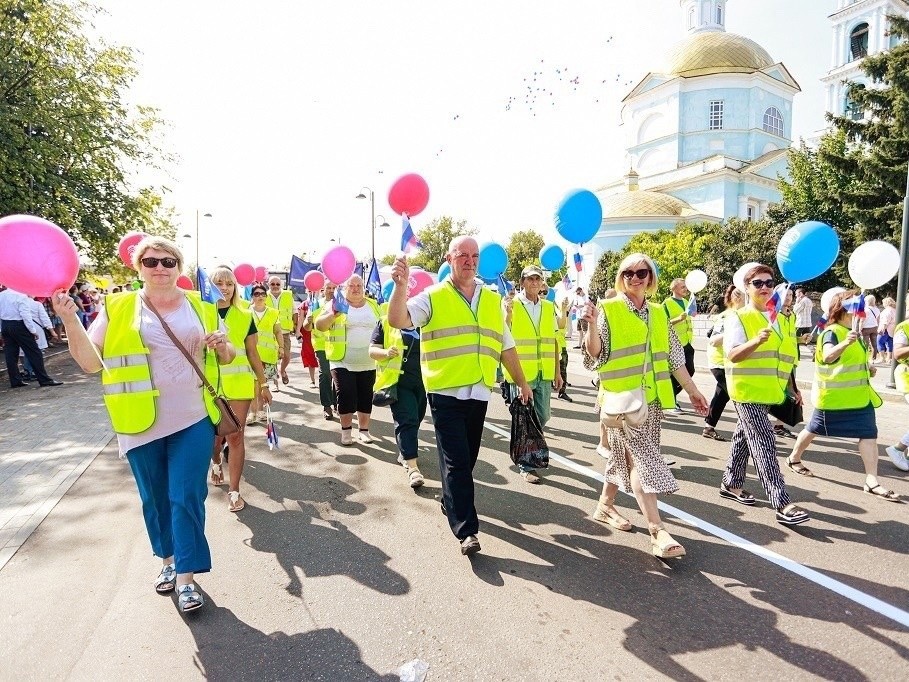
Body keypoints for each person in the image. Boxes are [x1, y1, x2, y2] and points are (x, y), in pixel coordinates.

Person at [51, 236, 236, 614]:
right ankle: (167, 561)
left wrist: (221, 346)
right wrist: (70, 319)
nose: (160, 268)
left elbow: (229, 354)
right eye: (151, 261)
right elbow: (89, 363)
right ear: (139, 268)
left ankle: (187, 577)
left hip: (193, 417)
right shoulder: (117, 306)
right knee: (154, 497)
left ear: (179, 268)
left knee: (186, 495)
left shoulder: (201, 306)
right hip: (138, 421)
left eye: (169, 262)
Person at [388, 237, 532, 557]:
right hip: (445, 391)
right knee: (456, 462)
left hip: (479, 391)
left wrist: (521, 382)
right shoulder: (433, 296)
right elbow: (397, 320)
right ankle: (467, 530)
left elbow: (506, 346)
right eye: (462, 255)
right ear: (449, 258)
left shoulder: (492, 300)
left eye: (474, 256)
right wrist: (400, 286)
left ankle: (450, 501)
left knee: (467, 459)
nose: (469, 261)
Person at [583, 253, 707, 559]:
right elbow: (593, 356)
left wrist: (692, 391)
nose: (635, 278)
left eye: (642, 273)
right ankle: (657, 531)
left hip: (650, 402)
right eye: (628, 273)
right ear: (621, 277)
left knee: (624, 458)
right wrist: (591, 325)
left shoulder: (658, 313)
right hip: (621, 403)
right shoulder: (608, 309)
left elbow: (674, 358)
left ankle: (604, 507)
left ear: (650, 278)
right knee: (642, 461)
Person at [785, 291, 898, 501]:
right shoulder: (832, 332)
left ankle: (871, 480)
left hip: (860, 399)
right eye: (855, 307)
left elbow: (851, 362)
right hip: (833, 399)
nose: (859, 312)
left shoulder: (855, 333)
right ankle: (794, 458)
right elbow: (828, 356)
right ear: (843, 309)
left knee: (869, 434)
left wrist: (868, 368)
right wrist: (845, 342)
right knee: (813, 429)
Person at [720, 263, 809, 526]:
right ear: (746, 288)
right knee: (764, 443)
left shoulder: (781, 319)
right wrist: (755, 341)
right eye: (757, 283)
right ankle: (781, 502)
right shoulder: (739, 317)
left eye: (769, 283)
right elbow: (733, 355)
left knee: (743, 438)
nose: (765, 288)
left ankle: (731, 483)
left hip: (771, 390)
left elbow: (786, 358)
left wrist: (793, 387)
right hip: (745, 391)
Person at [207, 266, 271, 513]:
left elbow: (253, 353)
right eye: (219, 283)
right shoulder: (200, 313)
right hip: (208, 386)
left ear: (235, 287)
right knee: (214, 438)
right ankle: (215, 463)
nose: (224, 288)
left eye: (229, 284)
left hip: (240, 385)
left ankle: (234, 491)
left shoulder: (245, 316)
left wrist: (263, 384)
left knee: (235, 436)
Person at [503, 265, 562, 483]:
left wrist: (557, 371)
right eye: (530, 279)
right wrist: (507, 315)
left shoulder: (548, 307)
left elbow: (554, 341)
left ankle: (528, 448)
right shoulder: (512, 304)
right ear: (522, 282)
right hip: (521, 374)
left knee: (543, 416)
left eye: (538, 279)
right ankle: (526, 464)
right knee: (525, 420)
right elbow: (504, 335)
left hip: (544, 372)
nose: (535, 282)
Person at [316, 274, 381, 445]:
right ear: (345, 288)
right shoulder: (335, 304)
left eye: (359, 285)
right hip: (341, 360)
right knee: (345, 394)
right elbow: (319, 326)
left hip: (369, 361)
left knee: (366, 396)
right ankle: (346, 431)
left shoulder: (373, 305)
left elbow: (384, 327)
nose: (355, 288)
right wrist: (334, 314)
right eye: (351, 285)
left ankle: (364, 430)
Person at [369, 313, 427, 488]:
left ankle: (405, 451)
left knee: (416, 418)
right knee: (406, 420)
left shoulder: (425, 319)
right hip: (399, 383)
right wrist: (386, 353)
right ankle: (413, 468)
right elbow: (372, 350)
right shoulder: (386, 321)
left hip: (424, 383)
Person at [703, 284, 745, 441]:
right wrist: (732, 332)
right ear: (735, 297)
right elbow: (714, 341)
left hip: (731, 363)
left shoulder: (744, 315)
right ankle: (749, 429)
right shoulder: (726, 316)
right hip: (720, 362)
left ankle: (709, 427)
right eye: (740, 294)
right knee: (736, 394)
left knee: (722, 395)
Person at [0, 286, 63, 388]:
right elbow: (25, 315)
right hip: (19, 325)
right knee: (34, 352)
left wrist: (1, 330)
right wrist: (32, 330)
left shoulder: (1, 296)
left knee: (11, 354)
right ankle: (44, 379)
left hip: (6, 325)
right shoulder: (21, 296)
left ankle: (15, 381)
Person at [248, 283, 283, 423]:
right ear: (252, 297)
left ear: (266, 296)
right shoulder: (246, 311)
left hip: (268, 354)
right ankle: (252, 412)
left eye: (263, 294)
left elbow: (278, 331)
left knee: (263, 384)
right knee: (253, 384)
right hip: (251, 353)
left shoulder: (273, 313)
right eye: (256, 294)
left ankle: (261, 411)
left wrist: (281, 347)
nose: (260, 296)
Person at [662, 278, 695, 415]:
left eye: (686, 287)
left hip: (687, 343)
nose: (685, 289)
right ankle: (670, 401)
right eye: (682, 287)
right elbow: (663, 323)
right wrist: (678, 319)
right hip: (674, 344)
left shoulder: (687, 302)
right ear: (674, 288)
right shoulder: (667, 303)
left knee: (690, 371)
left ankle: (668, 398)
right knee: (676, 373)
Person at [771, 288, 800, 439]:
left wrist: (802, 340)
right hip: (777, 361)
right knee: (773, 393)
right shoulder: (774, 315)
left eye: (791, 295)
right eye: (786, 295)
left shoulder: (792, 315)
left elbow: (790, 337)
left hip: (790, 361)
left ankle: (779, 425)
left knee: (787, 395)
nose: (789, 298)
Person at [311, 282, 338, 419]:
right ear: (324, 289)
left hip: (338, 344)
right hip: (321, 345)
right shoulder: (316, 303)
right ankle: (327, 405)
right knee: (326, 373)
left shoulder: (342, 303)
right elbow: (307, 326)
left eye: (334, 288)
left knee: (338, 375)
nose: (332, 290)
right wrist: (308, 320)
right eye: (329, 288)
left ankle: (337, 402)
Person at [265, 276, 295, 385]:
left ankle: (282, 371)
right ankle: (274, 383)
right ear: (269, 285)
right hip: (269, 332)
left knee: (286, 356)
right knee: (271, 358)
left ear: (281, 285)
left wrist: (296, 328)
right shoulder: (263, 295)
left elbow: (294, 311)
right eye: (272, 284)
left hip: (284, 332)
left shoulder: (287, 295)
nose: (275, 286)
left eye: (277, 284)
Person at [295, 300, 318, 387]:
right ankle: (312, 380)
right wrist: (297, 331)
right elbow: (300, 318)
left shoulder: (322, 301)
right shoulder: (304, 304)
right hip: (307, 333)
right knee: (309, 355)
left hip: (320, 331)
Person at [876, 297, 897, 365]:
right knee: (889, 344)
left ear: (886, 303)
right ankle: (889, 358)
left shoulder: (887, 311)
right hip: (893, 330)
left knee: (879, 342)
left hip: (885, 329)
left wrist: (883, 329)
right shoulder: (895, 310)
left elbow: (885, 321)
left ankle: (882, 358)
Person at [860, 294, 880, 363]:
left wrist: (860, 328)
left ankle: (865, 359)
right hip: (874, 327)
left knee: (865, 344)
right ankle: (873, 359)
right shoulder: (877, 309)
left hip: (866, 328)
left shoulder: (865, 310)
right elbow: (878, 320)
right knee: (874, 344)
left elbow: (862, 320)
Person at [794, 288, 814, 353]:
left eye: (796, 293)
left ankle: (797, 355)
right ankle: (814, 352)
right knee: (807, 340)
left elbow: (795, 311)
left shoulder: (802, 301)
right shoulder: (809, 301)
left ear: (800, 293)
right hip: (807, 323)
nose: (795, 295)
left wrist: (797, 302)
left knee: (795, 340)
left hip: (800, 323)